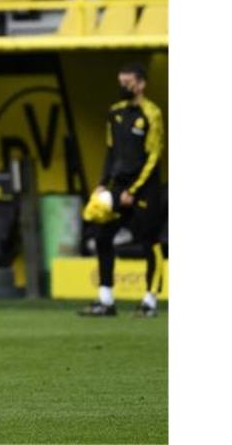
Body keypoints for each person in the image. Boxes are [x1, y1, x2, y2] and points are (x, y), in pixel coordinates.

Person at [79, 63, 165, 318]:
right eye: (121, 82)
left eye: (128, 83)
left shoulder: (152, 113)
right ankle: (106, 300)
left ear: (141, 84)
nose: (123, 87)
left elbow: (154, 155)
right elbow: (110, 151)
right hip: (117, 188)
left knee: (150, 242)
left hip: (144, 189)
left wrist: (135, 190)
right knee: (102, 236)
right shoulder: (114, 113)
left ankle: (149, 301)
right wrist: (103, 182)